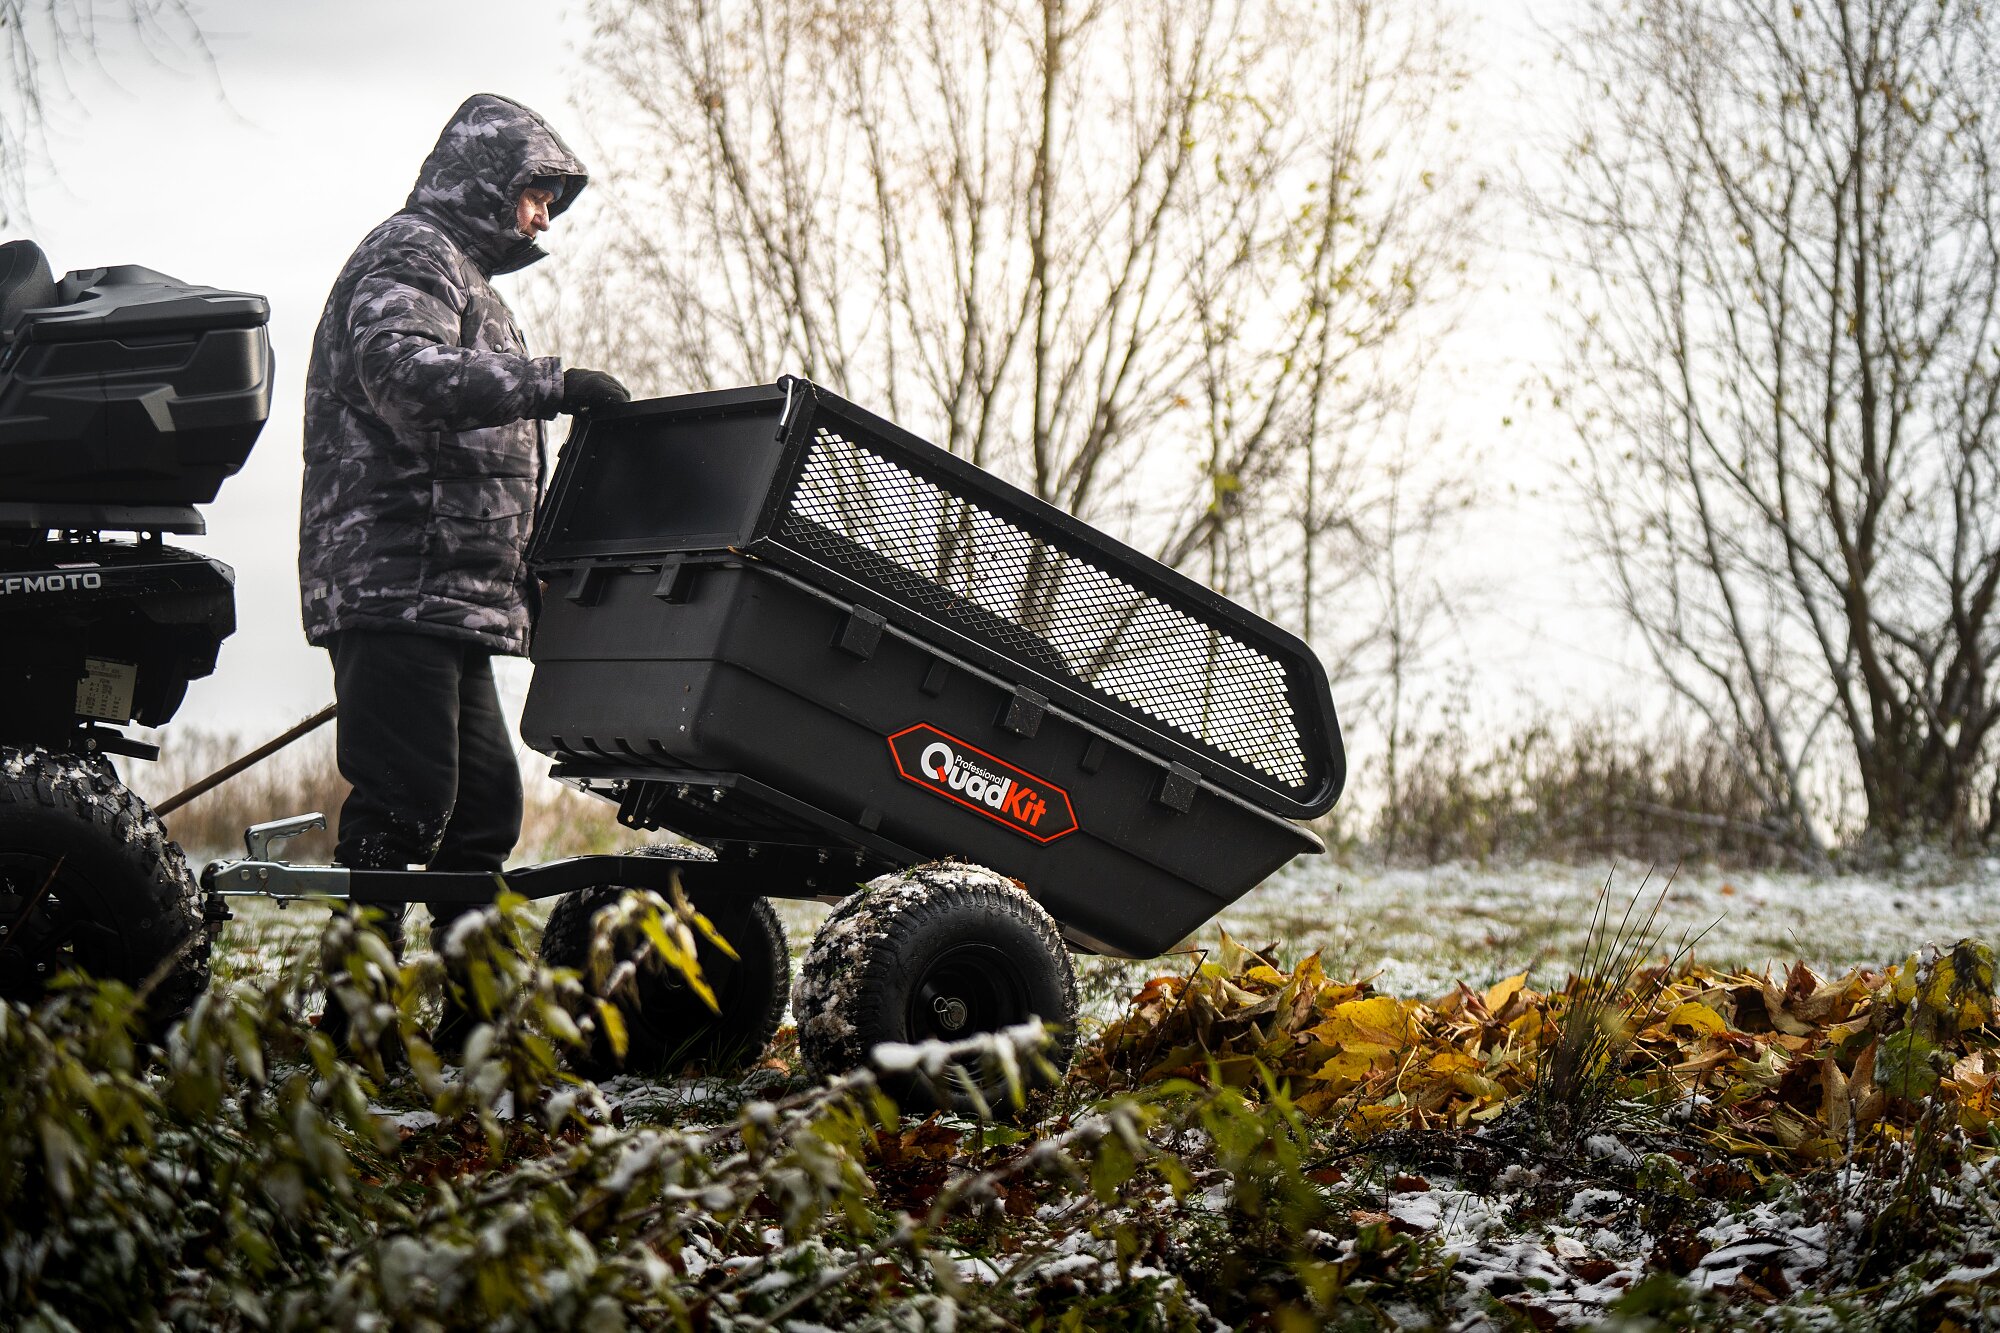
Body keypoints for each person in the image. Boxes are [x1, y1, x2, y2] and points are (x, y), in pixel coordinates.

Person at [298, 93, 630, 1052]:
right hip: (396, 581)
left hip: (452, 599)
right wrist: (553, 384)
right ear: (485, 177)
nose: (542, 219)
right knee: (406, 802)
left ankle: (477, 1040)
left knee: (482, 812)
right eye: (535, 193)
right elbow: (404, 377)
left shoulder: (471, 283)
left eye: (551, 204)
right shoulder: (408, 254)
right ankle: (352, 1035)